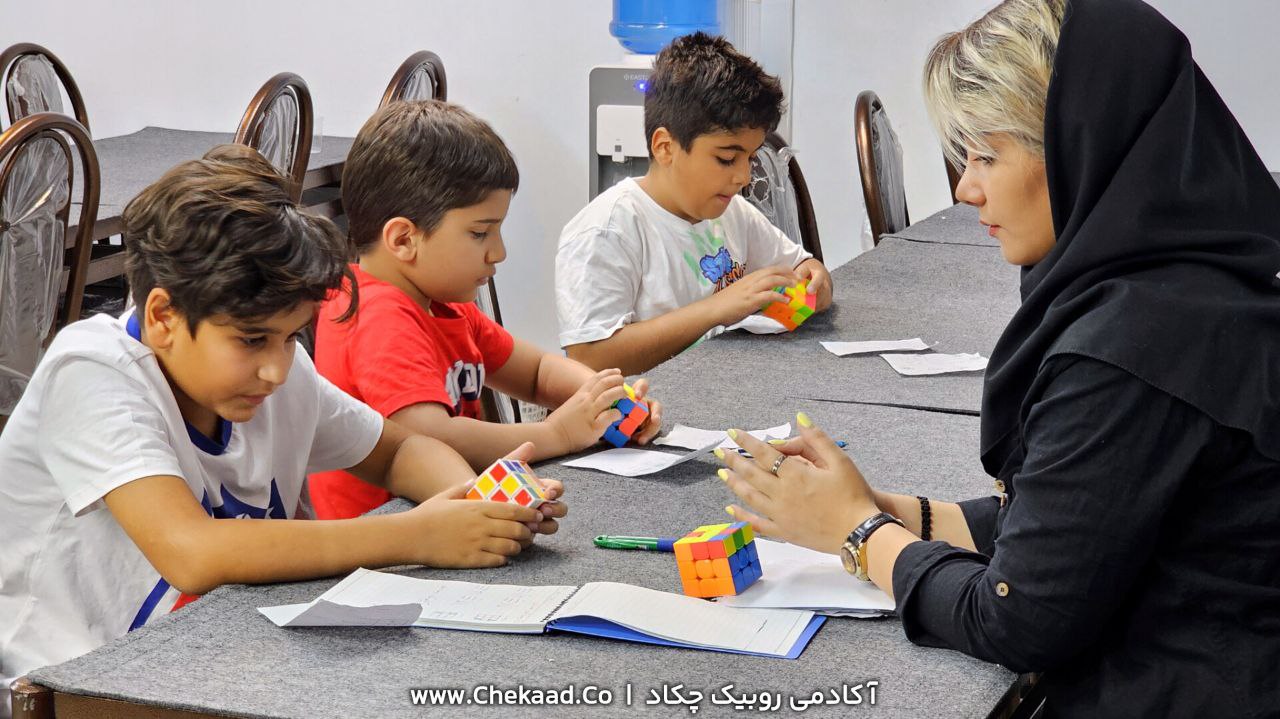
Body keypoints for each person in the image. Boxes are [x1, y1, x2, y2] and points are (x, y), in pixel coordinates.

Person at [714, 1, 1280, 716]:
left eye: (988, 154)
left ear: (1078, 143)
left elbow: (1019, 618)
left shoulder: (1133, 347)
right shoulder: (1194, 277)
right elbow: (1077, 517)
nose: (965, 187)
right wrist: (891, 509)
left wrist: (858, 535)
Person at [0, 146, 562, 710]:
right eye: (251, 339)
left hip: (217, 662)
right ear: (163, 318)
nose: (276, 367)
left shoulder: (274, 373)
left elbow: (399, 452)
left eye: (292, 336)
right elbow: (194, 554)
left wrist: (467, 504)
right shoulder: (92, 370)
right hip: (74, 685)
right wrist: (419, 535)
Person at [310, 101, 661, 519]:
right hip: (389, 537)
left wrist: (607, 400)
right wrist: (556, 433)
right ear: (404, 239)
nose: (499, 252)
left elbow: (536, 373)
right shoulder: (378, 316)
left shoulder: (440, 302)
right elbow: (432, 436)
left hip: (448, 509)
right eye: (480, 233)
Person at [556, 31, 833, 376]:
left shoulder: (732, 212)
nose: (744, 177)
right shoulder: (608, 230)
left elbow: (804, 267)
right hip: (648, 416)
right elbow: (589, 358)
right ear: (665, 147)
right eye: (727, 159)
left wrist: (814, 279)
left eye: (750, 157)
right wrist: (717, 309)